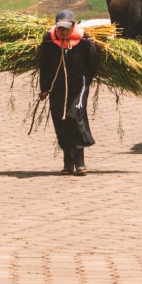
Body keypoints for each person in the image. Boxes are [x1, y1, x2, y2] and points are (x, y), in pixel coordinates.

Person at [38, 9, 99, 175]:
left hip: (79, 84)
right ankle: (68, 161)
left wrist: (86, 82)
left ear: (73, 25)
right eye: (60, 28)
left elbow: (93, 65)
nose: (63, 31)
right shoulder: (48, 41)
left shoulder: (85, 40)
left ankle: (80, 159)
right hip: (57, 86)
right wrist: (44, 89)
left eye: (66, 28)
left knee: (74, 116)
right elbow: (44, 67)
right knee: (60, 120)